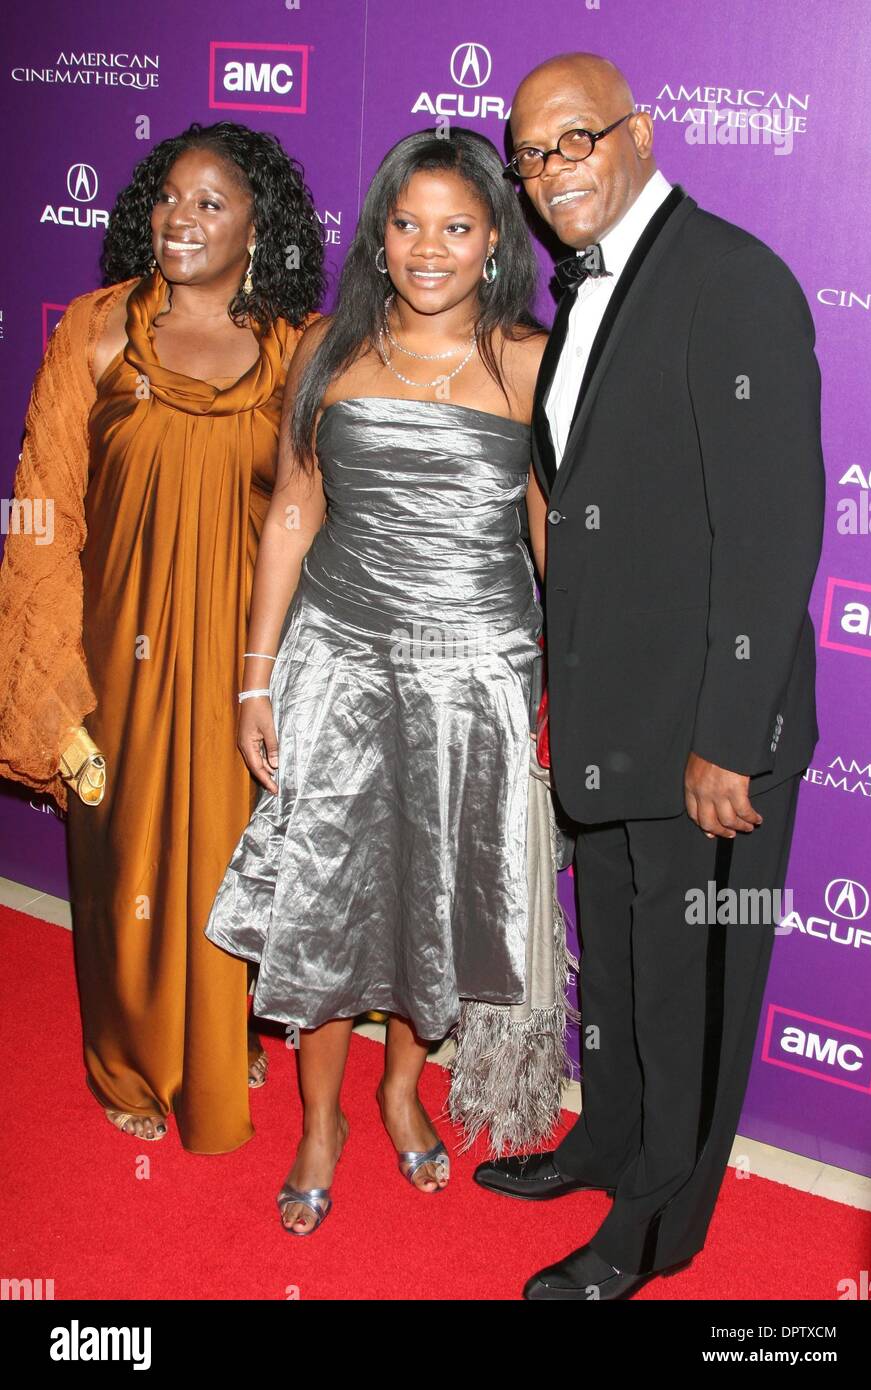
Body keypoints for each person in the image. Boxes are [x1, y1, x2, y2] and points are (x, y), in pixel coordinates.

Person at [473, 53, 825, 1300]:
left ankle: (659, 1224)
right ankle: (611, 1138)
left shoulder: (729, 280)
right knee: (617, 962)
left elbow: (773, 526)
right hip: (615, 716)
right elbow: (587, 516)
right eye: (530, 152)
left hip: (704, 736)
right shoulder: (588, 294)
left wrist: (729, 735)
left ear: (638, 134)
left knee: (692, 983)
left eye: (576, 141)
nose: (551, 170)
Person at [204, 127, 556, 1233]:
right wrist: (255, 679)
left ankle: (401, 1091)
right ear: (377, 235)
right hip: (339, 661)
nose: (427, 248)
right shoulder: (328, 348)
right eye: (406, 225)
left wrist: (570, 682)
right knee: (324, 899)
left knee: (430, 901)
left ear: (494, 238)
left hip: (475, 673)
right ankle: (320, 1119)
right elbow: (291, 513)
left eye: (455, 227)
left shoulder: (531, 362)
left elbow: (552, 542)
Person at [0, 121, 325, 1152]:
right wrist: (55, 684)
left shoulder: (295, 346)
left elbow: (321, 514)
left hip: (245, 662)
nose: (181, 218)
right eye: (169, 197)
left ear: (256, 226)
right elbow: (41, 510)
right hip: (117, 661)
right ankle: (129, 1061)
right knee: (126, 864)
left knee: (237, 858)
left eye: (212, 202)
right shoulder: (95, 331)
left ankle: (222, 1027)